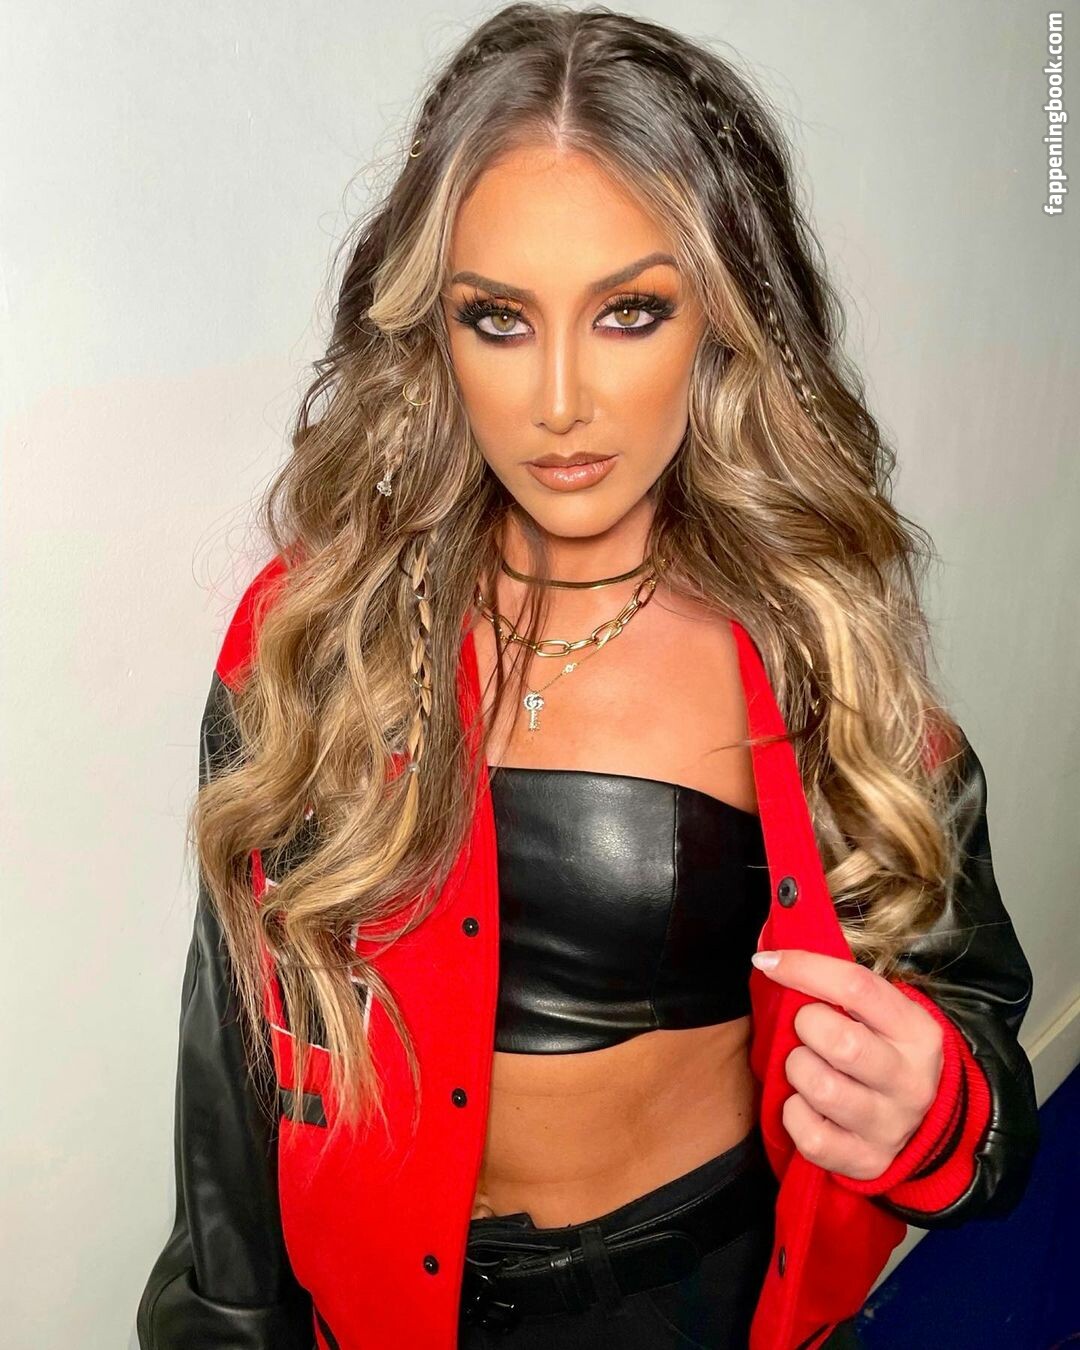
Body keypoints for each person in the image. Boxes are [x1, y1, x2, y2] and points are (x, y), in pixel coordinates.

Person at [135, 5, 1039, 1349]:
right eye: (499, 318)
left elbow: (982, 1052)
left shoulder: (813, 655)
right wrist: (220, 1325)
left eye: (629, 311)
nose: (560, 399)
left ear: (722, 318)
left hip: (691, 1310)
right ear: (434, 331)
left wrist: (935, 1110)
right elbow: (236, 1046)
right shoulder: (314, 636)